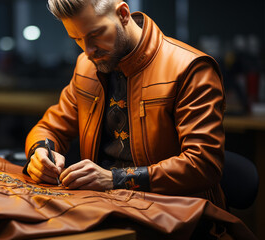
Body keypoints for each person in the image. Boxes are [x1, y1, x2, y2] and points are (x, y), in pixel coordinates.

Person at [23, 0, 226, 208]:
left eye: (96, 35)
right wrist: (40, 153)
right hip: (105, 206)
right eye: (77, 39)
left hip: (178, 214)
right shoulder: (86, 67)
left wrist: (115, 179)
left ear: (123, 14)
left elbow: (203, 165)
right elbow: (49, 128)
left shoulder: (190, 69)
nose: (88, 50)